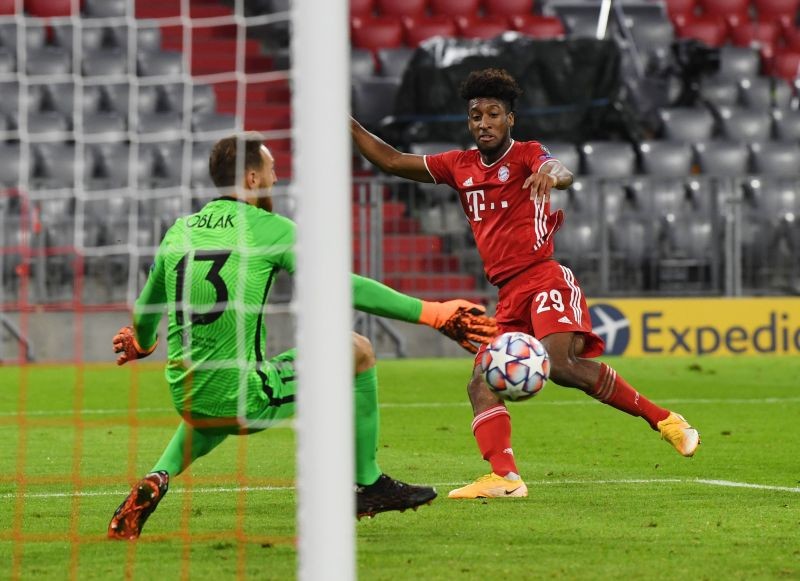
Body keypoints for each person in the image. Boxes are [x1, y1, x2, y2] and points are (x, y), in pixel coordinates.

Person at [107, 132, 499, 540]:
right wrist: (433, 313)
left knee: (213, 401)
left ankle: (156, 477)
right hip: (244, 396)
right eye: (272, 170)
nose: (276, 179)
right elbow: (341, 285)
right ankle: (366, 483)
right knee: (357, 351)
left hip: (184, 392)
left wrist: (142, 343)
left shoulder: (180, 231)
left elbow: (144, 311)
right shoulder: (271, 229)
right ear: (252, 178)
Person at [350, 67, 700, 500]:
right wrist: (345, 123)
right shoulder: (459, 166)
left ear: (510, 118)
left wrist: (550, 175)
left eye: (493, 114)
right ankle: (505, 478)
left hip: (545, 276)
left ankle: (666, 421)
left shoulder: (527, 154)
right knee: (480, 381)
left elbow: (559, 169)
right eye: (475, 115)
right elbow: (391, 160)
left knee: (561, 365)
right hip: (508, 294)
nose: (483, 123)